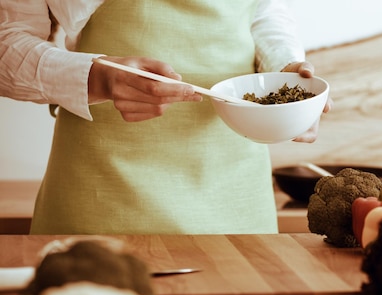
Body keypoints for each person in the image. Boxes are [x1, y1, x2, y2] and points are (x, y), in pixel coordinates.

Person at [0, 0, 330, 234]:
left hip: (235, 194)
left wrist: (284, 70)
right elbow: (7, 41)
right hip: (103, 194)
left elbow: (263, 11)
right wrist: (95, 78)